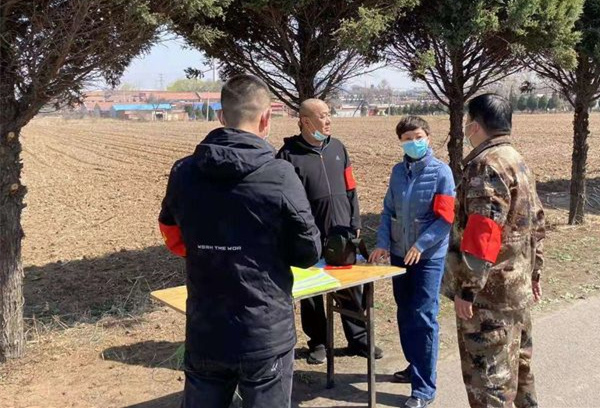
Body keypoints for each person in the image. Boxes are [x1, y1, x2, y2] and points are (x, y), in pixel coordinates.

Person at [158, 75, 321, 408]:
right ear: (266, 118)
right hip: (264, 331)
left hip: (206, 327)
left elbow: (172, 236)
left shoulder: (183, 172)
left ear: (221, 116)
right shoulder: (279, 174)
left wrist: (210, 251)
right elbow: (308, 251)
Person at [442, 93, 546, 408]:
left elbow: (482, 233)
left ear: (474, 125)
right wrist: (535, 272)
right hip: (517, 288)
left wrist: (468, 289)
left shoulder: (486, 165)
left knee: (489, 384)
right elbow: (537, 222)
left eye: (466, 122)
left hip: (490, 297)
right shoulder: (516, 160)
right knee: (520, 372)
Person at [277, 98, 382, 365]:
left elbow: (351, 188)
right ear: (305, 121)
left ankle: (359, 339)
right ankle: (319, 343)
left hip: (342, 233)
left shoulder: (338, 148)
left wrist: (355, 220)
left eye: (329, 114)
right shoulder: (288, 156)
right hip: (307, 237)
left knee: (350, 288)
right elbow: (285, 201)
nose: (328, 120)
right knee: (312, 294)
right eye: (322, 116)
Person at [369, 116, 455, 408]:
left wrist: (421, 244)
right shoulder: (397, 172)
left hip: (427, 257)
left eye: (418, 137)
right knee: (405, 312)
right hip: (399, 253)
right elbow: (388, 211)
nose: (414, 142)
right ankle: (415, 364)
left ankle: (424, 388)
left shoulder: (441, 172)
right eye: (407, 139)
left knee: (424, 316)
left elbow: (445, 219)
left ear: (428, 137)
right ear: (401, 142)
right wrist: (383, 243)